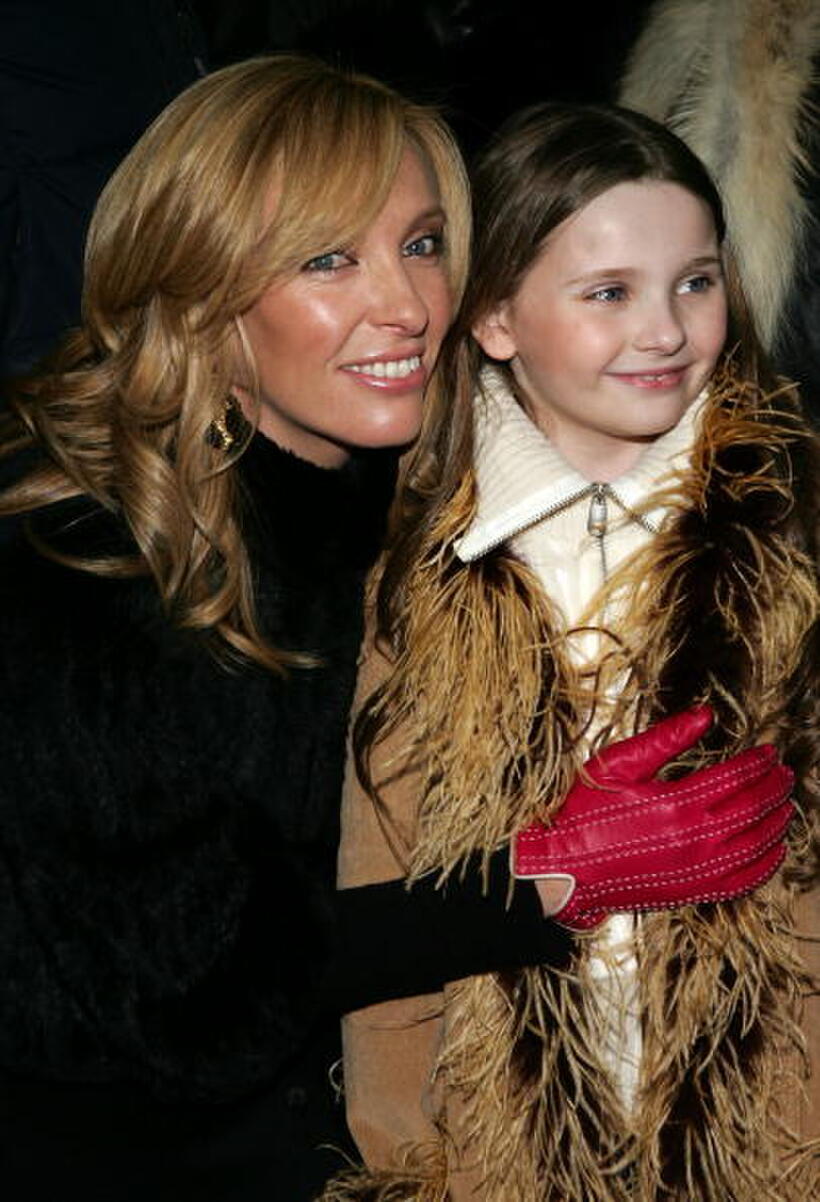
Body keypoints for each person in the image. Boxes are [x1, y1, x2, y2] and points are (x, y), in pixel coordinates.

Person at [0, 54, 583, 1201]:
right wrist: (543, 887)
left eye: (423, 243)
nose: (407, 305)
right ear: (201, 285)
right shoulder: (88, 563)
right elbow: (201, 999)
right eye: (327, 259)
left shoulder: (377, 490)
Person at [330, 103, 820, 1200]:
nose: (665, 331)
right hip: (507, 1158)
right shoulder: (426, 574)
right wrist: (407, 1162)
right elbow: (389, 879)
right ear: (496, 317)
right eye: (608, 293)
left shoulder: (792, 535)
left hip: (775, 1141)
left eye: (695, 282)